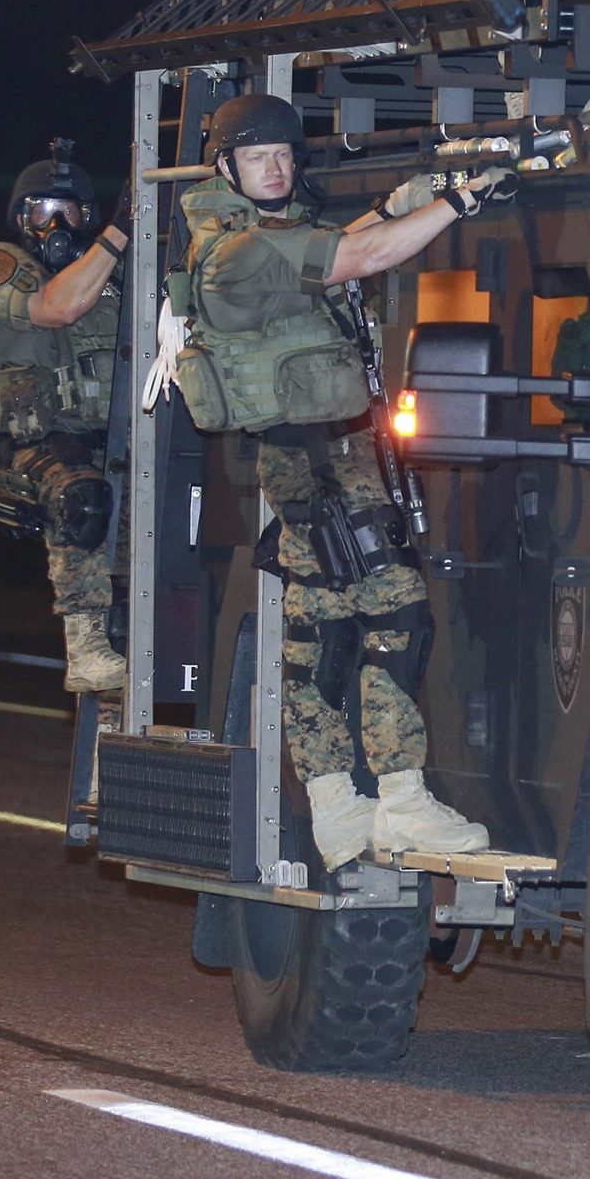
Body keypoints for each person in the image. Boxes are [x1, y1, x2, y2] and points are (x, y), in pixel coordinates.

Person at [170, 94, 509, 872]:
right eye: (260, 158)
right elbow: (358, 260)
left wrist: (403, 201)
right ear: (225, 168)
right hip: (319, 463)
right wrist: (462, 198)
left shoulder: (253, 238)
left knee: (317, 634)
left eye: (287, 154)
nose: (280, 167)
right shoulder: (234, 249)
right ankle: (402, 801)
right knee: (398, 612)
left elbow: (328, 250)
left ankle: (335, 810)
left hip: (310, 460)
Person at [0, 143, 129, 697]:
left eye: (69, 211)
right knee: (80, 498)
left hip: (113, 438)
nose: (55, 223)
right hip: (35, 443)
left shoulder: (112, 274)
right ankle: (84, 646)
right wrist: (121, 232)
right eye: (41, 210)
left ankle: (111, 734)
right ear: (20, 219)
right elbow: (58, 306)